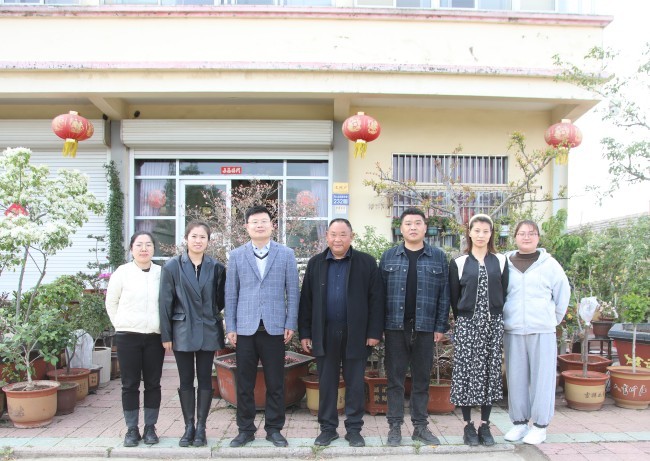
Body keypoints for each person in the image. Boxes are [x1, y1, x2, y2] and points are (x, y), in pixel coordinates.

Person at [298, 218, 385, 448]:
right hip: (325, 332)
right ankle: (328, 429)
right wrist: (305, 333)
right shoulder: (316, 263)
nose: (338, 239)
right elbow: (306, 301)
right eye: (333, 234)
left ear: (351, 236)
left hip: (357, 333)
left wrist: (374, 332)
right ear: (326, 236)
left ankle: (354, 429)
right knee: (327, 383)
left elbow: (377, 300)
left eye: (343, 234)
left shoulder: (366, 262)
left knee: (355, 383)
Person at [225, 205, 300, 448]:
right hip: (245, 329)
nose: (259, 225)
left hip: (274, 328)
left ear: (272, 225)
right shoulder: (237, 255)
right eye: (254, 222)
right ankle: (245, 430)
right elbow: (231, 294)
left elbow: (293, 292)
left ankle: (274, 429)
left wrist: (291, 322)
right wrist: (231, 326)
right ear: (246, 227)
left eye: (264, 221)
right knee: (244, 383)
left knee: (276, 382)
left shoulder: (286, 254)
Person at [379, 208, 450, 447]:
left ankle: (420, 427)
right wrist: (379, 326)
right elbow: (378, 295)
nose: (413, 227)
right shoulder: (389, 256)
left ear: (425, 227)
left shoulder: (438, 257)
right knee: (395, 380)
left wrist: (440, 326)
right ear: (400, 229)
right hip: (394, 327)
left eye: (417, 223)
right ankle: (394, 427)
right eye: (408, 223)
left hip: (425, 327)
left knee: (421, 379)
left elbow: (444, 295)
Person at [159, 220, 227, 448]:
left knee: (206, 378)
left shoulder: (217, 268)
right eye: (194, 236)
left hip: (208, 330)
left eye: (202, 237)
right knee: (186, 379)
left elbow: (220, 300)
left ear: (208, 241)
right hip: (182, 331)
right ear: (186, 239)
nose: (198, 241)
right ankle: (188, 426)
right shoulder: (172, 267)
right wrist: (166, 335)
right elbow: (165, 303)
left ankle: (201, 427)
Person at [502, 220, 570, 445]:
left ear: (538, 238)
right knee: (516, 378)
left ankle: (540, 426)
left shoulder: (550, 265)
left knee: (543, 379)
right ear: (515, 237)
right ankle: (519, 423)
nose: (526, 237)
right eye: (522, 233)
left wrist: (551, 320)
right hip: (513, 330)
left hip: (542, 330)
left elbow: (562, 295)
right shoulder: (505, 263)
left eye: (531, 233)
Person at [449, 214, 508, 447]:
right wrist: (466, 319)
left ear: (491, 234)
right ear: (470, 233)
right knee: (466, 373)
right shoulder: (459, 262)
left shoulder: (500, 261)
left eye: (486, 231)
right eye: (477, 230)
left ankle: (485, 425)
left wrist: (493, 315)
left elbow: (504, 292)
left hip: (492, 324)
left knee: (489, 373)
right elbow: (454, 297)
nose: (481, 235)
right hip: (467, 325)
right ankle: (468, 426)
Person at [105, 231, 165, 447]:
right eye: (139, 244)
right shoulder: (122, 273)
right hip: (127, 336)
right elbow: (111, 302)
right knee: (129, 384)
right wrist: (120, 324)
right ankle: (132, 429)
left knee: (153, 384)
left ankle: (150, 428)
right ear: (131, 249)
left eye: (148, 244)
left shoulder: (161, 273)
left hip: (154, 337)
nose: (144, 249)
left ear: (154, 248)